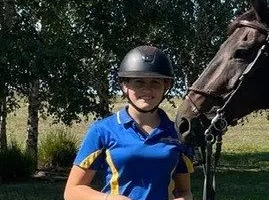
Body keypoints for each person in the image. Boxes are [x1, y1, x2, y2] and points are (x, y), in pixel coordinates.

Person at [64, 46, 194, 200]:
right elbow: (72, 191)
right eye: (139, 82)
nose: (147, 90)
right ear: (125, 86)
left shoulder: (177, 133)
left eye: (155, 83)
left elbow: (184, 191)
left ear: (166, 86)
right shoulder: (102, 131)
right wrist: (110, 199)